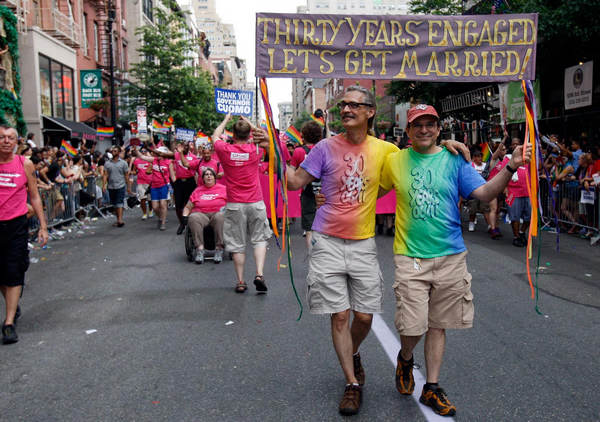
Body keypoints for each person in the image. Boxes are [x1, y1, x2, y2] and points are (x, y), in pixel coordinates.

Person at [286, 89, 469, 416]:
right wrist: (272, 156)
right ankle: (352, 384)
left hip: (363, 241)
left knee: (365, 316)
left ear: (370, 112)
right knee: (340, 314)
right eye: (343, 104)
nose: (346, 109)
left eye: (354, 104)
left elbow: (414, 159)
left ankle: (352, 353)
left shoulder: (387, 151)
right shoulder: (325, 148)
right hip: (326, 239)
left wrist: (449, 148)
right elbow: (295, 182)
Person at [379, 104, 531, 417]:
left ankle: (431, 387)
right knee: (412, 323)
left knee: (439, 324)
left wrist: (511, 167)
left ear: (438, 128)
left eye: (430, 124)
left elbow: (485, 194)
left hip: (450, 256)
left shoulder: (454, 159)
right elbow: (370, 192)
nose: (424, 130)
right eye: (417, 125)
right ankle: (406, 357)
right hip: (411, 257)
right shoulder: (395, 161)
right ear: (408, 131)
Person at [0, 125, 48, 344]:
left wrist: (43, 226)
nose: (6, 141)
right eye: (1, 137)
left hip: (16, 225)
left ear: (17, 141)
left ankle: (8, 323)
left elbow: (35, 196)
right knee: (2, 273)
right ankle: (13, 303)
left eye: (10, 138)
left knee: (14, 270)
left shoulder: (24, 164)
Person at [212, 114, 271, 294]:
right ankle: (259, 274)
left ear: (233, 135)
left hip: (235, 203)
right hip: (255, 201)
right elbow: (264, 136)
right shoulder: (255, 149)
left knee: (237, 243)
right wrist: (249, 122)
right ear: (248, 134)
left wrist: (225, 120)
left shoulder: (225, 149)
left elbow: (215, 136)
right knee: (259, 239)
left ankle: (240, 281)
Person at [289, 120, 323, 250]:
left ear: (303, 135)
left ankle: (311, 258)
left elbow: (291, 172)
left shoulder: (298, 151)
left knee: (309, 228)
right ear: (319, 135)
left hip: (307, 192)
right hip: (324, 191)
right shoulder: (323, 149)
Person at [182, 168, 227, 264]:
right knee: (193, 217)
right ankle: (200, 249)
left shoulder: (223, 189)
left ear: (215, 178)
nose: (209, 176)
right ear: (203, 178)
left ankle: (219, 248)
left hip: (217, 214)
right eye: (206, 174)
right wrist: (184, 217)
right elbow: (188, 207)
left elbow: (232, 203)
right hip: (202, 215)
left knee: (221, 216)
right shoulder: (197, 191)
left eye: (211, 174)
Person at [134, 146, 173, 231]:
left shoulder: (168, 162)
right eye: (157, 152)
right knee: (155, 207)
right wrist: (135, 149)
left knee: (163, 204)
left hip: (164, 185)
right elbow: (142, 157)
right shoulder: (154, 160)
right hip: (154, 186)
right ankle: (160, 217)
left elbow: (172, 176)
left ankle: (163, 223)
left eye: (159, 153)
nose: (157, 154)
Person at [172, 142, 199, 235]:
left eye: (187, 146)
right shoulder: (176, 155)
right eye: (183, 146)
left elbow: (193, 170)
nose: (185, 147)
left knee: (190, 205)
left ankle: (191, 225)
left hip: (190, 182)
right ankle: (182, 224)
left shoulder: (193, 157)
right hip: (179, 182)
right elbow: (162, 155)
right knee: (178, 206)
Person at [466, 149, 492, 233]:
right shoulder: (471, 165)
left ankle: (490, 225)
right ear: (474, 158)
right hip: (473, 191)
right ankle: (471, 223)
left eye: (481, 157)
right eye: (478, 157)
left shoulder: (485, 165)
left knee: (485, 208)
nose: (480, 158)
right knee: (473, 208)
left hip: (484, 190)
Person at [103, 145, 129, 227]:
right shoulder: (107, 163)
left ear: (118, 152)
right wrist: (104, 185)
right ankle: (118, 219)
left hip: (120, 185)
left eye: (115, 151)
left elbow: (126, 175)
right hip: (111, 186)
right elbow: (105, 175)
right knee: (114, 204)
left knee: (119, 203)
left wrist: (128, 186)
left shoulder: (123, 163)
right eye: (112, 151)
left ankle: (120, 220)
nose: (113, 152)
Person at [129, 146, 153, 219]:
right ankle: (144, 213)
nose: (143, 152)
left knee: (150, 199)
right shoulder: (136, 161)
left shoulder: (150, 160)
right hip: (140, 182)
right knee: (142, 198)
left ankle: (151, 211)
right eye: (142, 151)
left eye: (144, 151)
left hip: (149, 182)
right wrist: (131, 171)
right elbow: (134, 170)